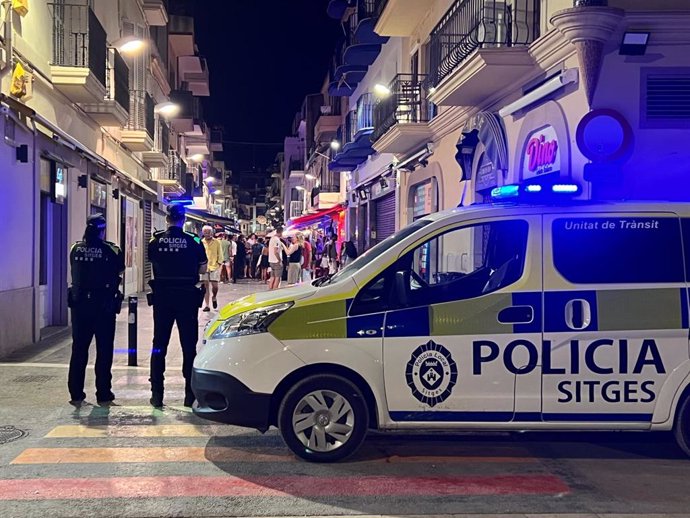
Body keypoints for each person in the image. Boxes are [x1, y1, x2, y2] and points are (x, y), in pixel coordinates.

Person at [148, 204, 207, 408]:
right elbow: (203, 268)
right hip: (186, 297)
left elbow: (152, 261)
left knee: (159, 346)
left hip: (163, 297)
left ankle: (157, 394)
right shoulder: (194, 241)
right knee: (189, 346)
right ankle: (189, 395)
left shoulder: (155, 241)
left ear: (167, 219)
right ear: (183, 220)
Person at [67, 214, 125, 406]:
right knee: (104, 350)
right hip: (103, 307)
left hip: (80, 306)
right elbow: (120, 270)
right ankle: (103, 392)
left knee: (79, 349)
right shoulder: (111, 250)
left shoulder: (75, 249)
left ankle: (76, 392)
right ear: (102, 231)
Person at [200, 225, 222, 312]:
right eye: (205, 232)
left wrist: (219, 263)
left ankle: (214, 297)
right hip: (204, 267)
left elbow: (220, 254)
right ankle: (207, 305)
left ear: (212, 232)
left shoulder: (217, 242)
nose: (207, 234)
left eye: (208, 232)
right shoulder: (201, 242)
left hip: (214, 266)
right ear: (203, 233)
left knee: (215, 286)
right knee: (205, 287)